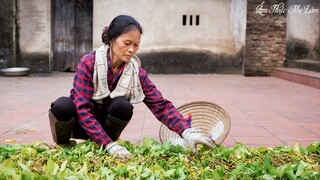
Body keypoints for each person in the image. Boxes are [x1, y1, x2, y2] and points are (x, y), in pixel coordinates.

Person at [49, 15, 214, 159]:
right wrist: (109, 145)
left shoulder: (136, 71)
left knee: (123, 105)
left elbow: (160, 106)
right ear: (111, 40)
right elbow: (83, 110)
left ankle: (105, 145)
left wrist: (187, 132)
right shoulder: (88, 63)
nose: (131, 50)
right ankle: (65, 145)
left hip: (105, 129)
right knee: (63, 106)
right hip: (80, 124)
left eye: (136, 45)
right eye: (127, 43)